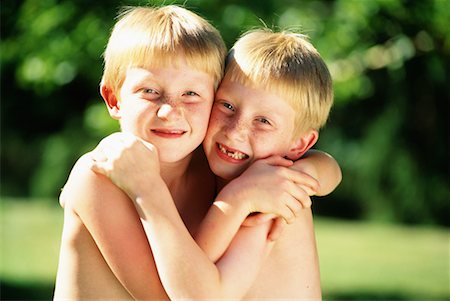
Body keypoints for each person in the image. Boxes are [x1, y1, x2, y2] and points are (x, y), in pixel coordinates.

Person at [54, 4, 340, 300]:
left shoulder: (221, 166)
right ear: (114, 99)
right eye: (150, 91)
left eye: (191, 94)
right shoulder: (98, 175)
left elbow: (324, 166)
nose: (169, 111)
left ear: (211, 97)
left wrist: (304, 174)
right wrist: (148, 191)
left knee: (279, 194)